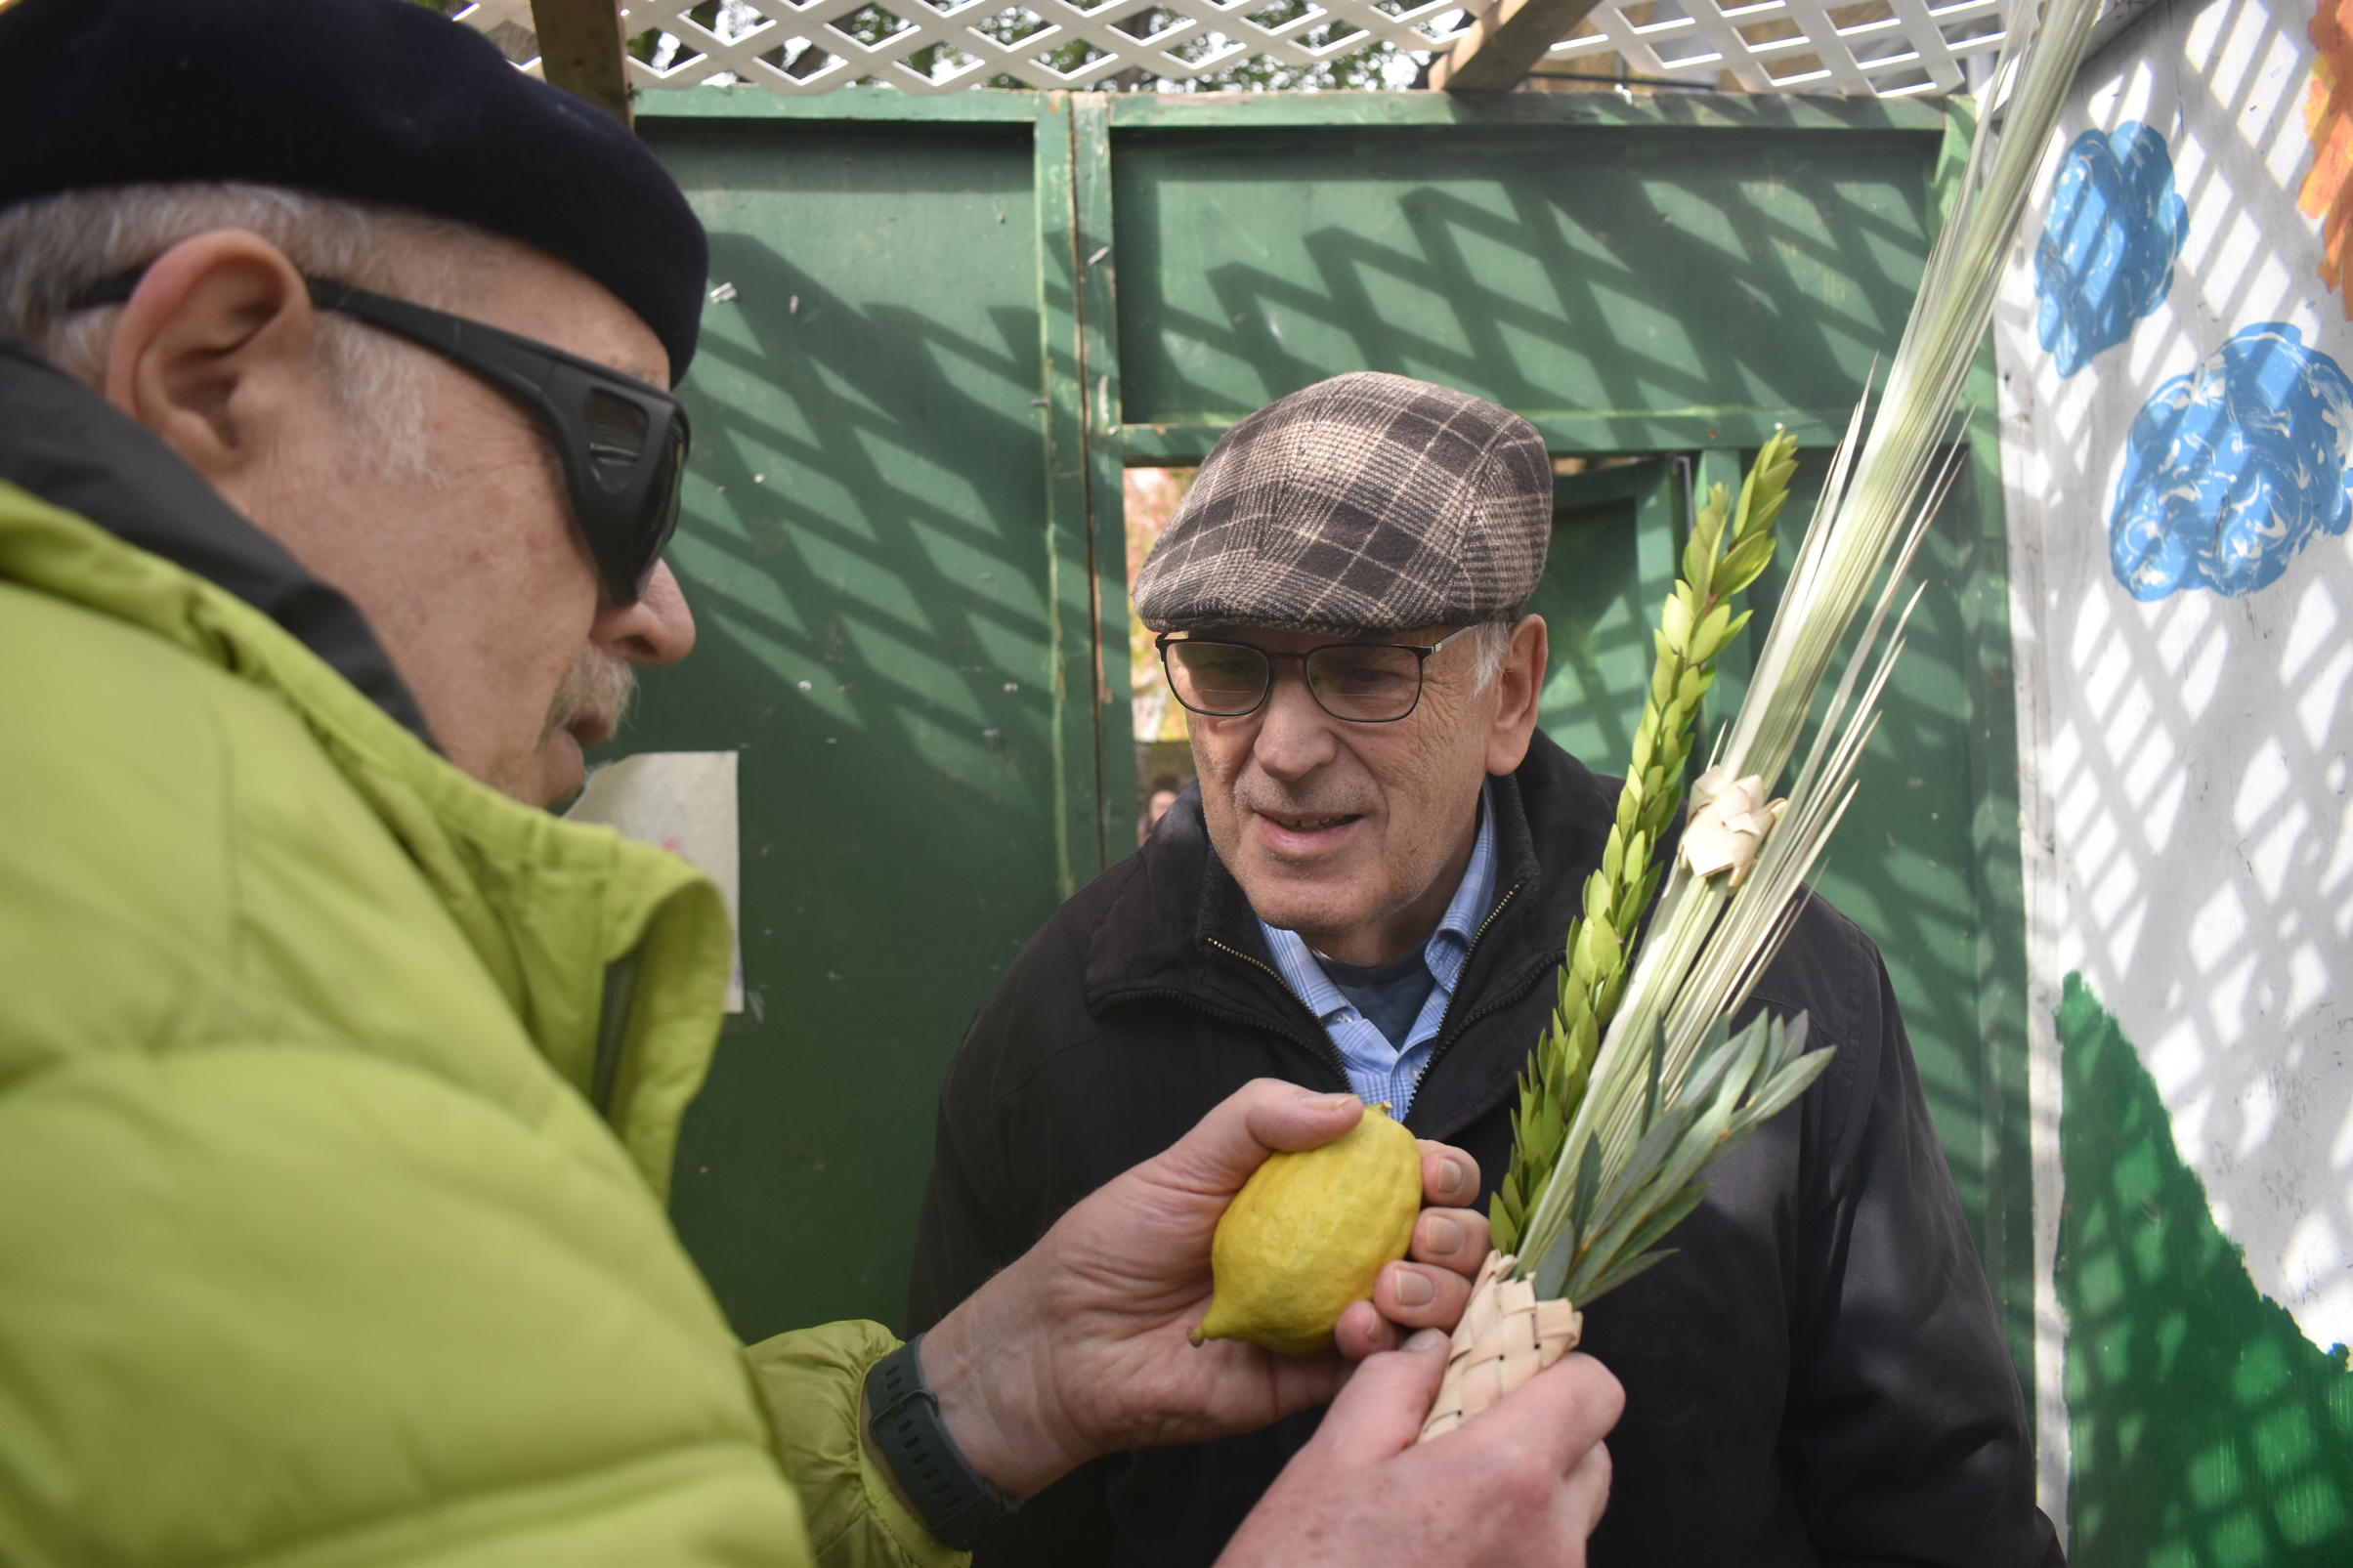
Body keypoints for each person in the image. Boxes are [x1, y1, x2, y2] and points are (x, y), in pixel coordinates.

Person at [0, 3, 1623, 1564]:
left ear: (1512, 693)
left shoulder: (196, 955)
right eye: (617, 454)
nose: (663, 610)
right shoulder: (172, 982)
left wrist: (975, 1392)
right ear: (222, 374)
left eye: (1360, 668)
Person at [908, 372, 2069, 1565]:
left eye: (1363, 671)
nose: (1284, 751)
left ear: (1506, 690)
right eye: (1227, 667)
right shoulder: (1056, 1034)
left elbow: (1931, 1504)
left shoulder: (1746, 973)